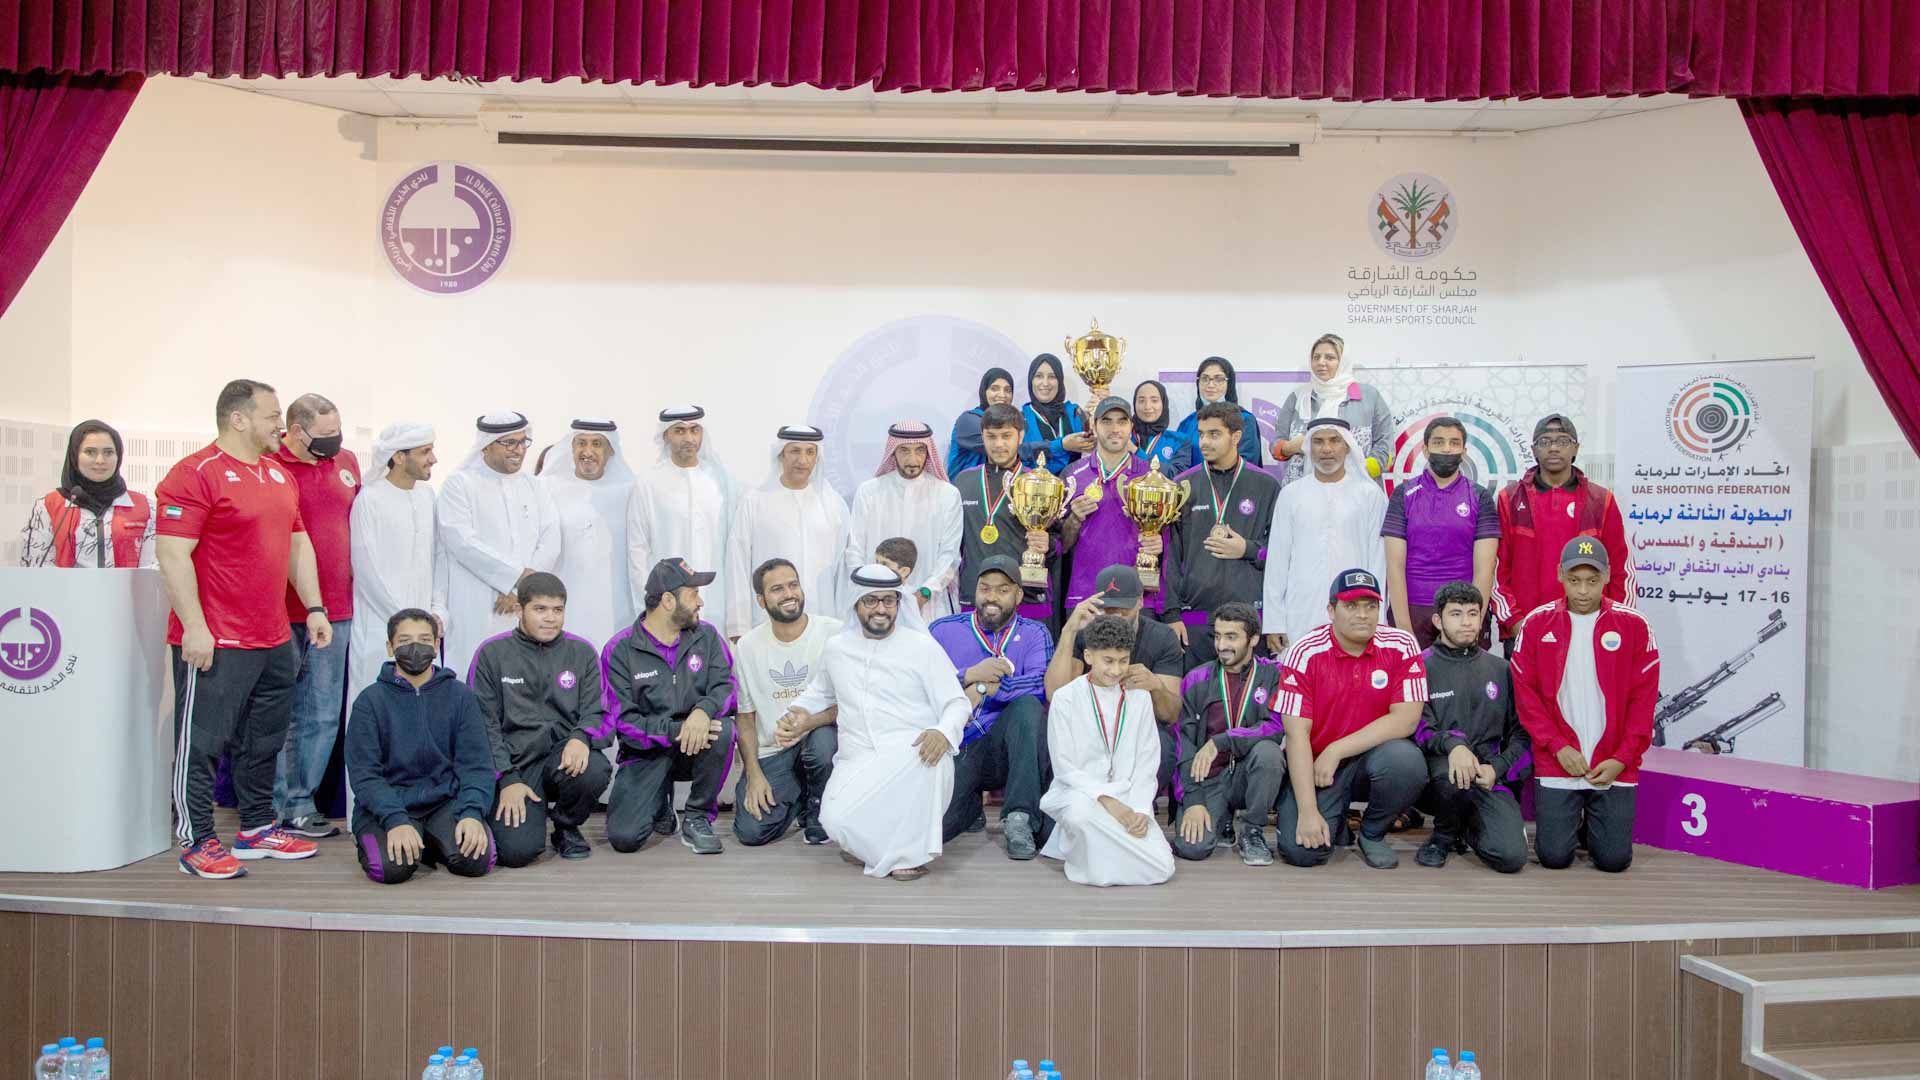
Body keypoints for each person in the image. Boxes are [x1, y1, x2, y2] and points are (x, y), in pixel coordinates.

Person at [155, 379, 325, 878]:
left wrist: (313, 607)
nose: (281, 425)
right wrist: (194, 626)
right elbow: (171, 553)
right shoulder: (195, 474)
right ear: (239, 419)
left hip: (272, 636)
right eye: (272, 416)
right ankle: (197, 840)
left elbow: (298, 544)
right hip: (216, 639)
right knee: (202, 743)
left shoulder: (277, 474)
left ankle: (255, 828)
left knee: (264, 739)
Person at [783, 564, 970, 881]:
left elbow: (956, 702)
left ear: (899, 604)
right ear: (856, 603)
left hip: (912, 754)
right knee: (834, 821)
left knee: (932, 759)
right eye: (871, 600)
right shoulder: (837, 648)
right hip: (858, 756)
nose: (881, 609)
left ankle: (904, 855)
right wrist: (798, 710)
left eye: (889, 600)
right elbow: (820, 691)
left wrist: (942, 731)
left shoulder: (921, 647)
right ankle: (882, 847)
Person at [1510, 538, 1659, 873]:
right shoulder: (1537, 624)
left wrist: (1621, 759)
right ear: (1560, 575)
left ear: (1607, 576)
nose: (1582, 591)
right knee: (1554, 858)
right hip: (1559, 761)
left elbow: (1643, 704)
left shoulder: (1635, 626)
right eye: (1574, 580)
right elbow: (1526, 696)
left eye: (1592, 581)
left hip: (1614, 763)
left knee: (1613, 861)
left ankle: (1596, 823)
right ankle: (1572, 822)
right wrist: (1557, 746)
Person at [1272, 569, 1428, 870]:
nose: (1363, 615)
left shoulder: (1401, 645)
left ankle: (1372, 832)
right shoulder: (1304, 652)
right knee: (1303, 853)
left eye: (1371, 606)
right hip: (1318, 767)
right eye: (1351, 606)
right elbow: (1296, 736)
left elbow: (1406, 720)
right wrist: (1307, 811)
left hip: (1372, 760)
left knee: (1406, 762)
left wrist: (1338, 749)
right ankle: (1334, 818)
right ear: (1331, 610)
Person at [467, 572, 612, 865]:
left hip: (562, 757)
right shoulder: (491, 654)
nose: (550, 619)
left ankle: (566, 827)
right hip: (516, 766)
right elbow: (483, 726)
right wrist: (506, 778)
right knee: (516, 853)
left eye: (557, 610)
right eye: (540, 609)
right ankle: (504, 813)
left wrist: (581, 736)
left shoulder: (582, 652)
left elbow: (599, 709)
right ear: (520, 610)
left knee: (594, 768)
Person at [344, 608, 495, 885]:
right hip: (389, 805)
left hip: (445, 802)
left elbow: (476, 764)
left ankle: (430, 842)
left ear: (437, 645)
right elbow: (365, 776)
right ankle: (412, 838)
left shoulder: (461, 696)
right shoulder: (369, 702)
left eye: (425, 639)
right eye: (404, 641)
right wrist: (395, 819)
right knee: (389, 870)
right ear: (390, 647)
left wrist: (473, 812)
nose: (415, 647)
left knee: (478, 861)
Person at [266, 393, 360, 839]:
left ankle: (302, 802)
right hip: (280, 609)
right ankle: (271, 804)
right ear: (296, 431)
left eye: (337, 431)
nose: (335, 441)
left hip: (337, 609)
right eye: (325, 435)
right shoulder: (270, 464)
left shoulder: (350, 463)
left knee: (322, 712)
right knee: (276, 711)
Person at [599, 558, 736, 855]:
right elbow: (624, 723)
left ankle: (698, 817)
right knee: (624, 839)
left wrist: (702, 711)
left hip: (696, 744)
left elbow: (727, 688)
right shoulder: (619, 650)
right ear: (668, 600)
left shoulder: (708, 636)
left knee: (723, 729)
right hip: (646, 751)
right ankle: (660, 803)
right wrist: (678, 729)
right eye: (693, 595)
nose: (700, 602)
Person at [928, 555, 1054, 859]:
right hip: (958, 745)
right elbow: (922, 682)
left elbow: (1040, 685)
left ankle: (1020, 817)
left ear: (1019, 595)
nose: (992, 598)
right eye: (985, 589)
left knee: (1027, 707)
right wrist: (968, 676)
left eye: (1002, 590)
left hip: (1007, 750)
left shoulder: (1036, 633)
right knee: (936, 829)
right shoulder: (943, 630)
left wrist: (984, 689)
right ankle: (970, 808)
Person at [1037, 614, 1175, 887]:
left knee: (1163, 867)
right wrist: (1107, 801)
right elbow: (1064, 767)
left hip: (1128, 797)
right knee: (1079, 815)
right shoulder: (1066, 698)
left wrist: (1139, 810)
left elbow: (1148, 762)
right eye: (1108, 661)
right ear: (1089, 656)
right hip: (1081, 796)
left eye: (1123, 661)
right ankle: (1101, 862)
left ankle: (1097, 861)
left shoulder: (1140, 697)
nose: (1115, 670)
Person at [1411, 582, 1530, 873]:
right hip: (1437, 775)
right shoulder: (1419, 666)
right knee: (1454, 776)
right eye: (1455, 614)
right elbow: (1417, 728)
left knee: (1511, 857)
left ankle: (1466, 828)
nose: (1466, 622)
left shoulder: (1501, 669)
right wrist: (1454, 746)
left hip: (1487, 776)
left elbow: (1522, 736)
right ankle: (1442, 836)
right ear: (1438, 620)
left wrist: (1497, 769)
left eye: (1473, 614)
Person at [437, 412, 561, 677]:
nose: (518, 451)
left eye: (522, 442)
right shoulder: (459, 484)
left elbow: (551, 540)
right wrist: (514, 577)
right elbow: (462, 542)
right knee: (475, 673)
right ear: (486, 445)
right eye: (509, 443)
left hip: (524, 602)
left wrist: (520, 588)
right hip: (478, 602)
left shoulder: (535, 486)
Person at [732, 558, 841, 847]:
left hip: (824, 741)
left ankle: (819, 812)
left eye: (793, 585)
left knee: (822, 745)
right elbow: (744, 716)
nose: (789, 594)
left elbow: (854, 702)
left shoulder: (835, 633)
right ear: (761, 599)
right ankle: (798, 797)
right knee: (751, 832)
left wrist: (812, 720)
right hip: (774, 750)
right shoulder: (747, 646)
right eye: (777, 589)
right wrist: (753, 773)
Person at [1492, 414, 1633, 638]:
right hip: (1526, 630)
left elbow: (1621, 569)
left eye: (1563, 441)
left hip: (1590, 628)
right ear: (1534, 450)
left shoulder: (1601, 500)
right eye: (1545, 442)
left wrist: (1616, 620)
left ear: (1575, 449)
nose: (1554, 448)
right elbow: (1496, 569)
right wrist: (1515, 622)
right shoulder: (1508, 500)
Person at [1045, 567, 1184, 790]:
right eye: (1109, 609)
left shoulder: (1162, 637)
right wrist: (1069, 630)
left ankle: (1137, 797)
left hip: (1138, 726)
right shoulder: (1084, 632)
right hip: (1090, 723)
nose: (1117, 616)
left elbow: (1171, 714)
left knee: (1164, 747)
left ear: (1140, 601)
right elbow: (1055, 694)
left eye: (1124, 609)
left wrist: (1155, 687)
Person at [1170, 602, 1287, 865]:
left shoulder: (1273, 674)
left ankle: (1253, 830)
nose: (1222, 645)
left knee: (1268, 753)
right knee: (1193, 848)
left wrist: (1221, 741)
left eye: (1231, 637)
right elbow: (1183, 742)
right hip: (1209, 779)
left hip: (1250, 774)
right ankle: (1220, 819)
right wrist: (1193, 798)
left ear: (1254, 639)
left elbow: (1277, 727)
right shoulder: (1197, 678)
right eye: (1218, 636)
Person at [1165, 403, 1280, 668]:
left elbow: (1282, 555)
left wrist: (1248, 550)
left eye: (1214, 434)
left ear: (1236, 437)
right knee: (1196, 700)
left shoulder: (1267, 486)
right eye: (1201, 434)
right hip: (1195, 619)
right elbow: (1171, 554)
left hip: (1249, 619)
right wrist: (1171, 614)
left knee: (1248, 701)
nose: (1204, 442)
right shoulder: (1183, 486)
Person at [1262, 417, 1388, 653]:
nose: (1326, 449)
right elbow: (1277, 561)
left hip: (1356, 611)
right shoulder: (1291, 495)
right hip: (1300, 610)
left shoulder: (1370, 495)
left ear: (1347, 446)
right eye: (1318, 442)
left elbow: (1378, 561)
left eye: (1334, 441)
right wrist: (1274, 621)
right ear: (1309, 448)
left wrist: (1377, 620)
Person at [346, 422, 446, 711]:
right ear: (399, 456)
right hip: (381, 627)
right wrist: (404, 623)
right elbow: (366, 571)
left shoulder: (428, 496)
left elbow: (438, 559)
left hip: (425, 630)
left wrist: (437, 612)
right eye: (425, 452)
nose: (433, 459)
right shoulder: (370, 499)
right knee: (375, 709)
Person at [1382, 417, 1500, 649]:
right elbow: (1394, 566)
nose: (1446, 448)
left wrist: (1473, 620)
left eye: (1454, 443)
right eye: (1438, 442)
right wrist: (1404, 628)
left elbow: (1485, 569)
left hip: (1462, 612)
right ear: (1425, 450)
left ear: (1464, 452)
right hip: (1413, 609)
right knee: (1414, 685)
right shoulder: (1403, 494)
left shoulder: (1480, 496)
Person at [725, 425, 849, 639]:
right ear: (781, 455)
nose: (803, 460)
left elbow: (844, 571)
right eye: (795, 451)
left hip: (824, 623)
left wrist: (845, 625)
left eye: (810, 452)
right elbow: (738, 563)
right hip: (768, 624)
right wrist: (739, 625)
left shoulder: (833, 504)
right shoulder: (755, 501)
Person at [627, 406, 737, 640]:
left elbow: (734, 548)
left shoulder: (722, 480)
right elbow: (637, 551)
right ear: (665, 435)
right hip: (667, 606)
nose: (688, 438)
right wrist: (648, 608)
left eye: (694, 430)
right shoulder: (648, 483)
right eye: (679, 431)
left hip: (716, 600)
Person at [845, 422, 963, 619]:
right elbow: (855, 549)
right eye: (904, 451)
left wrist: (925, 593)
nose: (913, 459)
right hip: (875, 601)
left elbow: (950, 555)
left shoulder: (947, 494)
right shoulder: (869, 491)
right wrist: (868, 589)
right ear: (893, 452)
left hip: (928, 603)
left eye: (919, 450)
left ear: (928, 452)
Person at [539, 418, 637, 651]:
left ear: (610, 450)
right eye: (581, 443)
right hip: (565, 600)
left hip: (615, 603)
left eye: (597, 444)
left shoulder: (630, 490)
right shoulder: (547, 487)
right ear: (571, 448)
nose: (587, 451)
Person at [1059, 396, 1162, 614]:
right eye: (1106, 421)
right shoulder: (1072, 475)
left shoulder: (1151, 478)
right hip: (1085, 596)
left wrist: (1158, 544)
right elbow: (1061, 546)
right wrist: (1074, 520)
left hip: (1137, 596)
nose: (1115, 428)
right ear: (1094, 427)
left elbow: (1168, 542)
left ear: (1131, 427)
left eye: (1121, 421)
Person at [954, 403, 1051, 620]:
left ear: (1021, 435)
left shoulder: (1038, 483)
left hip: (1025, 596)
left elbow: (1058, 541)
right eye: (991, 436)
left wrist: (1048, 544)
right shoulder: (963, 481)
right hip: (975, 596)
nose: (999, 444)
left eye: (1006, 436)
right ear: (983, 436)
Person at [18, 419, 154, 568]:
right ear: (75, 455)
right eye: (90, 452)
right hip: (65, 591)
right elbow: (35, 568)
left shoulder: (146, 507)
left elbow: (152, 570)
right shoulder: (47, 506)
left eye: (108, 452)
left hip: (127, 591)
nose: (100, 460)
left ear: (118, 456)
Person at [1269, 334, 1393, 484]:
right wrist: (1290, 447)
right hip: (1304, 492)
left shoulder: (1369, 396)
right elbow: (1276, 445)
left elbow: (1385, 447)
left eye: (1329, 357)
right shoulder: (1297, 397)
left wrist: (1357, 473)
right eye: (1316, 357)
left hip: (1358, 490)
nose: (1321, 362)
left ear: (1343, 362)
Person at [1171, 357, 1263, 472]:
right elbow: (1179, 465)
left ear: (1229, 384)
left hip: (1232, 487)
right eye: (1205, 379)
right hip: (1191, 487)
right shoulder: (1187, 423)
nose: (1210, 385)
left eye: (1218, 379)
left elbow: (1247, 465)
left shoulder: (1244, 420)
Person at [1021, 353, 1092, 474]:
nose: (1045, 383)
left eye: (1052, 376)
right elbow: (1019, 453)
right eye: (1038, 376)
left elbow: (1095, 447)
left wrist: (1100, 415)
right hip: (1035, 490)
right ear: (1031, 381)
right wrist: (1061, 445)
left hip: (1076, 490)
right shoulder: (1020, 419)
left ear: (1060, 381)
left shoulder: (1075, 414)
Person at [946, 367, 1016, 478]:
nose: (1002, 395)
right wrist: (1050, 447)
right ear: (984, 391)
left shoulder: (1013, 425)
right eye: (995, 389)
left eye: (1007, 390)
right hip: (965, 492)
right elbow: (1001, 446)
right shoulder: (968, 420)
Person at [1129, 379, 1188, 475]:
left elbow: (1178, 477)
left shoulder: (1179, 440)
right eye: (1141, 400)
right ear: (1134, 405)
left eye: (1154, 400)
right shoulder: (1123, 437)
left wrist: (1136, 451)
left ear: (1164, 404)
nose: (1147, 406)